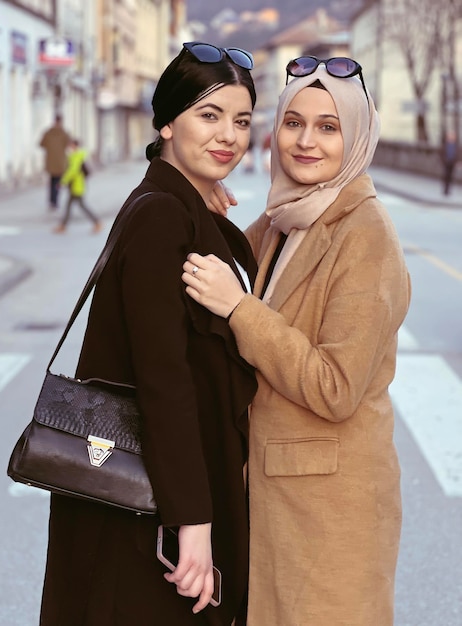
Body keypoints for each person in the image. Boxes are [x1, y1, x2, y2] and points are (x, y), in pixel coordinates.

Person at [182, 58, 411, 625]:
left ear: (355, 137)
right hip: (274, 502)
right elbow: (223, 260)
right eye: (293, 123)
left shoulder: (364, 234)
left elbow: (335, 388)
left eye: (328, 127)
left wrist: (241, 310)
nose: (306, 142)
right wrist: (199, 195)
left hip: (330, 515)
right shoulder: (286, 219)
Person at [39, 41, 258, 626]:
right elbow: (164, 380)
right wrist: (193, 525)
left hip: (158, 493)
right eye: (208, 116)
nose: (228, 137)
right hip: (150, 508)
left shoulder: (178, 204)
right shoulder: (164, 214)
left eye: (241, 120)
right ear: (166, 122)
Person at [53, 138, 102, 234]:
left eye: (71, 145)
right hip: (75, 186)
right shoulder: (77, 156)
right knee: (69, 206)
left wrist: (62, 182)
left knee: (82, 205)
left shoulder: (76, 156)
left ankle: (97, 222)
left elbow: (72, 171)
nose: (69, 148)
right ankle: (63, 225)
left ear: (75, 146)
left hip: (77, 186)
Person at [39, 114, 71, 210]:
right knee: (57, 183)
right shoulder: (64, 133)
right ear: (60, 122)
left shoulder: (48, 133)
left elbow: (41, 144)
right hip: (60, 162)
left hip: (50, 162)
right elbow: (68, 145)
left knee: (52, 181)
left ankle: (52, 201)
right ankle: (55, 201)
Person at [441, 129, 458, 195]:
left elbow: (458, 154)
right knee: (446, 176)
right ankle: (445, 190)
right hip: (446, 162)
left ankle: (448, 189)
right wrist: (444, 160)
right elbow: (441, 154)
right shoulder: (445, 145)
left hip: (452, 162)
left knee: (451, 176)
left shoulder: (456, 145)